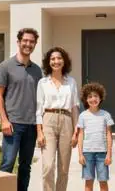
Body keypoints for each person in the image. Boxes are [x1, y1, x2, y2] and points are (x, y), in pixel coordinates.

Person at [0, 28, 43, 191]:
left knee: (25, 167)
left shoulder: (37, 70)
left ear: (35, 44)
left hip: (31, 125)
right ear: (19, 42)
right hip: (13, 124)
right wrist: (4, 120)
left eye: (32, 41)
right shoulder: (5, 66)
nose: (28, 44)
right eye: (25, 41)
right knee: (7, 164)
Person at [36, 47, 79, 191]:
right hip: (48, 120)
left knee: (64, 168)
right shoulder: (42, 83)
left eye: (59, 58)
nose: (56, 61)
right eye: (53, 59)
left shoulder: (71, 82)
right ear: (48, 62)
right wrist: (39, 132)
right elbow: (38, 109)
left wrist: (75, 132)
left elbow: (74, 107)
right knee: (48, 166)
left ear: (64, 61)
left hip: (67, 121)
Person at [77, 83, 114, 191]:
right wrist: (80, 155)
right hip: (87, 153)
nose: (93, 99)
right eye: (90, 96)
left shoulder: (105, 115)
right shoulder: (82, 116)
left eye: (96, 96)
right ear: (86, 99)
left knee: (103, 182)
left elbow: (109, 135)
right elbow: (80, 135)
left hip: (102, 154)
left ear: (100, 97)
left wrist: (109, 154)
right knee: (88, 182)